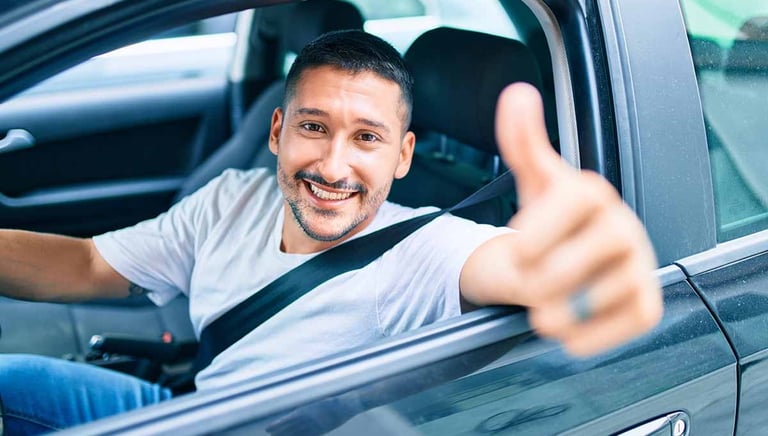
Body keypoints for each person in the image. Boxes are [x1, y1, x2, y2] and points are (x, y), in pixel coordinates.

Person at [0, 29, 662, 433]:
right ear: (278, 131)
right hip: (192, 407)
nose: (333, 166)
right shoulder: (232, 199)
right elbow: (89, 265)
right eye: (314, 127)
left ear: (402, 156)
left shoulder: (422, 250)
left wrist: (580, 267)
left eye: (367, 138)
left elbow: (516, 266)